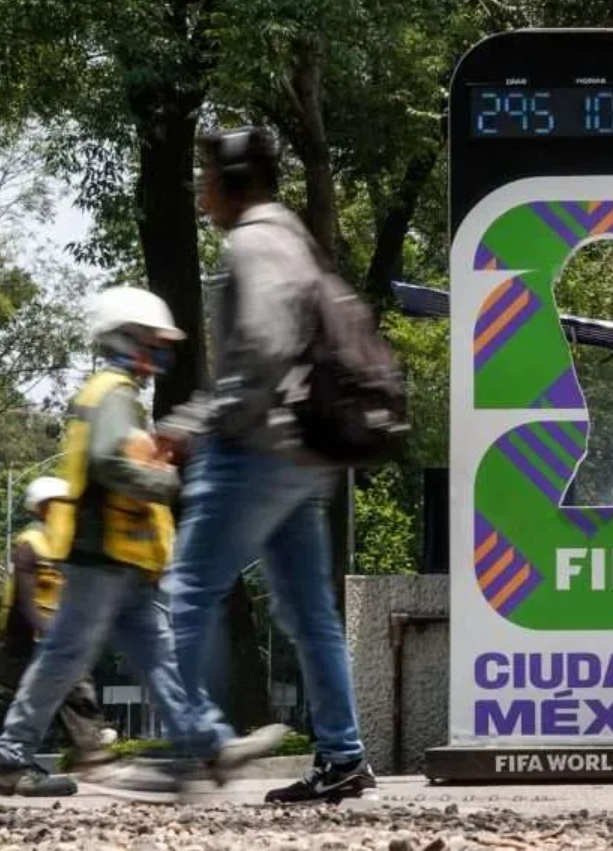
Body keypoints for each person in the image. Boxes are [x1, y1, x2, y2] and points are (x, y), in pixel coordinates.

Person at [0, 286, 284, 799]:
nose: (161, 353)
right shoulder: (112, 393)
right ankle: (11, 756)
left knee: (161, 657)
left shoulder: (119, 393)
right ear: (125, 340)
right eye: (152, 341)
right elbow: (109, 462)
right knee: (66, 656)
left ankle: (205, 747)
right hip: (98, 556)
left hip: (124, 561)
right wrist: (164, 482)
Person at [155, 126, 376, 804]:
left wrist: (202, 421)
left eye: (205, 178)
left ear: (228, 180)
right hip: (302, 456)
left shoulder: (252, 241)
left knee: (185, 592)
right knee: (311, 612)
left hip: (250, 448)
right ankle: (343, 755)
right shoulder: (294, 237)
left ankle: (193, 746)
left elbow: (263, 342)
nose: (199, 190)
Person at [0, 477, 115, 789]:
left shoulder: (65, 546)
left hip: (51, 637)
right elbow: (25, 602)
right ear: (43, 508)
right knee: (9, 705)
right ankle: (0, 766)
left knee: (75, 686)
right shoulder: (31, 544)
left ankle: (92, 750)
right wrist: (47, 630)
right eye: (60, 505)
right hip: (20, 641)